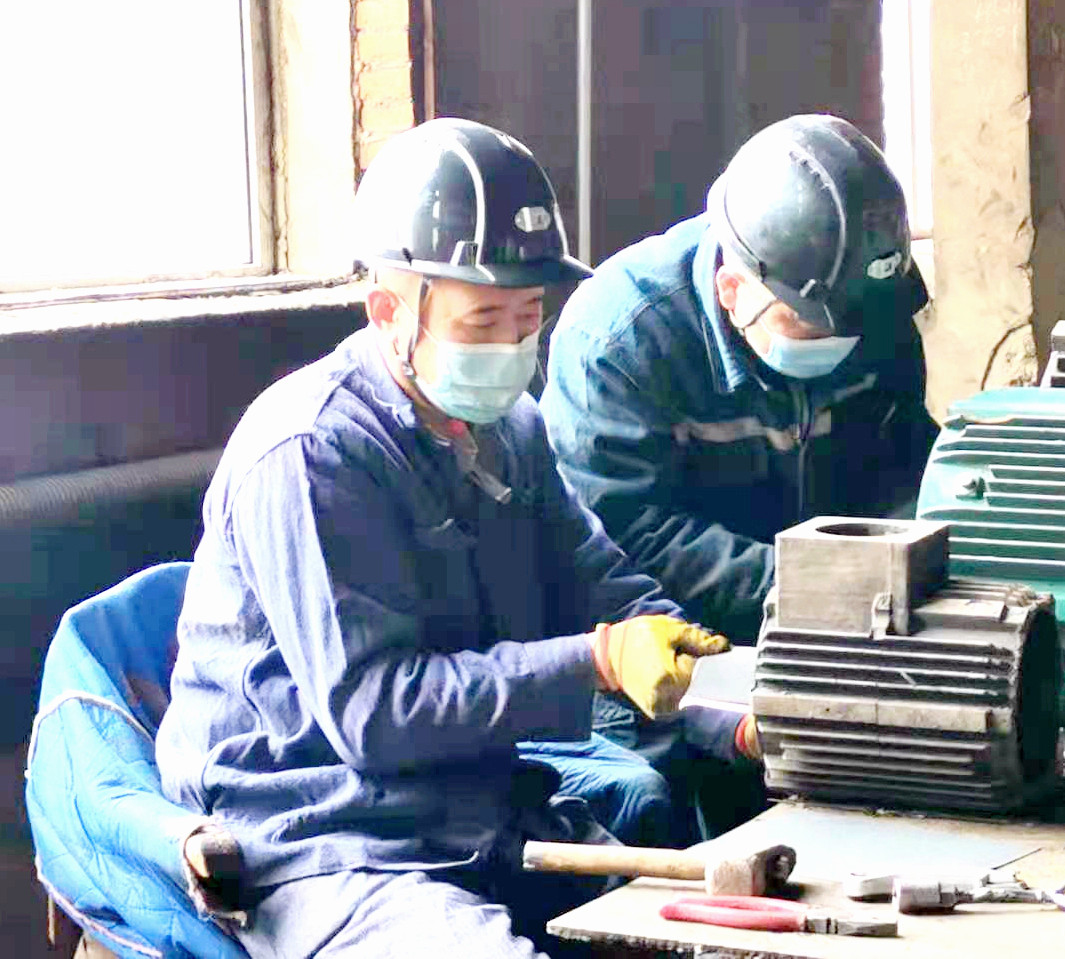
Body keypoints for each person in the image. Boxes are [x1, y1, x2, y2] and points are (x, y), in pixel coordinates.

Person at [154, 118, 742, 959]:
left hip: (475, 806)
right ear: (389, 311)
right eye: (482, 320)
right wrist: (597, 660)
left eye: (528, 316)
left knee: (697, 939)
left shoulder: (511, 430)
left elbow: (607, 591)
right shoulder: (312, 452)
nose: (512, 344)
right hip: (322, 834)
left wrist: (739, 709)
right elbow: (376, 713)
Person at [540, 114, 939, 835]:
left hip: (836, 640)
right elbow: (626, 533)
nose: (840, 347)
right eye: (811, 331)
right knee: (675, 836)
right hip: (668, 661)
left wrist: (924, 563)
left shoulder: (867, 306)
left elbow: (904, 461)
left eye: (852, 333)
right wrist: (819, 584)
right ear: (732, 289)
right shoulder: (620, 339)